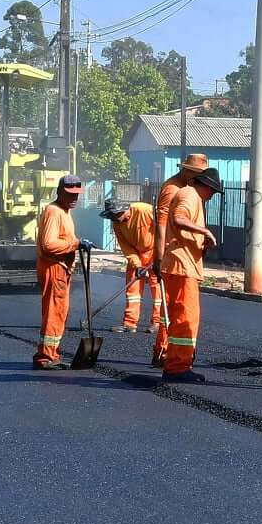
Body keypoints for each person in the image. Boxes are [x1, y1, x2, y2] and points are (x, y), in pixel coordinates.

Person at [156, 168, 223, 383]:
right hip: (182, 266)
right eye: (212, 191)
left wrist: (201, 243)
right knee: (186, 318)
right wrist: (204, 232)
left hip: (182, 265)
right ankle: (178, 366)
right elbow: (178, 218)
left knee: (180, 317)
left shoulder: (190, 196)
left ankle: (175, 362)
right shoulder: (189, 195)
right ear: (205, 186)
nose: (212, 196)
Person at [151, 154, 210, 365]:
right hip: (176, 259)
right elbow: (162, 225)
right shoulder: (173, 189)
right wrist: (158, 257)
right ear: (186, 171)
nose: (198, 179)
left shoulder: (188, 190)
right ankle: (168, 353)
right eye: (196, 175)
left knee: (175, 310)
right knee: (178, 311)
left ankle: (169, 352)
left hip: (183, 258)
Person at [33, 174, 91, 370]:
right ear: (59, 191)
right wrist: (75, 244)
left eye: (77, 194)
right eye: (70, 194)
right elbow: (48, 244)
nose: (74, 198)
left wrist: (77, 243)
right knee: (54, 312)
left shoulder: (65, 211)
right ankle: (45, 356)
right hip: (53, 267)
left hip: (61, 268)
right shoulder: (54, 211)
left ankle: (51, 353)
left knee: (60, 312)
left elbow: (63, 238)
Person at [99, 199, 161, 335]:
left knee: (157, 287)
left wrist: (161, 251)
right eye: (113, 217)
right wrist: (137, 264)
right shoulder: (117, 224)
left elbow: (163, 227)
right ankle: (129, 323)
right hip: (137, 255)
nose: (116, 219)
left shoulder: (144, 210)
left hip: (155, 252)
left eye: (118, 215)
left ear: (126, 209)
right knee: (132, 288)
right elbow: (126, 247)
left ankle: (157, 322)